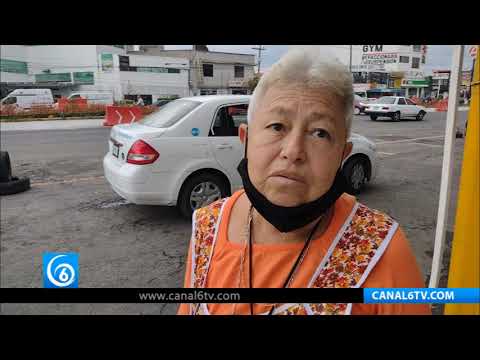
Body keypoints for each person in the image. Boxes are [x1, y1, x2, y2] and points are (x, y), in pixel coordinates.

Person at [177, 47, 431, 315]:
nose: (294, 151)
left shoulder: (380, 247)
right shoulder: (207, 226)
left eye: (320, 133)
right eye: (277, 126)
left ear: (342, 155)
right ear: (246, 139)